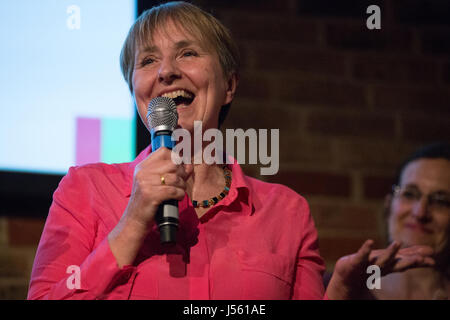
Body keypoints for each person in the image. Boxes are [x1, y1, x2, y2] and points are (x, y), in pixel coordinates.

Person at [27, 1, 434, 300]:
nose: (166, 70)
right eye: (148, 60)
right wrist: (133, 220)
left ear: (230, 85)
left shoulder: (286, 213)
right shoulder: (85, 189)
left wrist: (341, 290)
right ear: (136, 89)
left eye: (187, 53)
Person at [371, 142, 450, 299]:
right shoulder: (339, 289)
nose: (420, 213)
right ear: (389, 205)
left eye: (440, 201)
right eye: (409, 194)